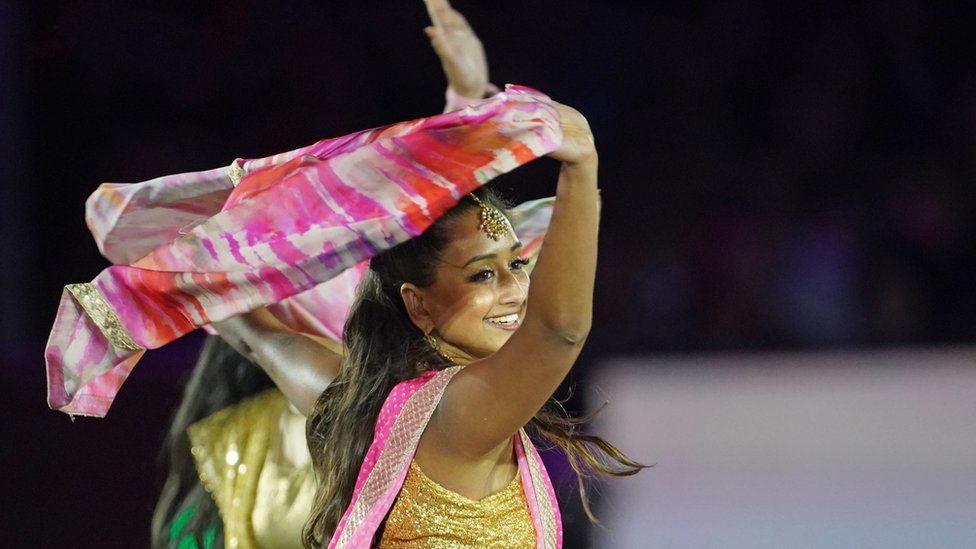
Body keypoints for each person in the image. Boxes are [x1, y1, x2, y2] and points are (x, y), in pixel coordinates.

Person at [151, 2, 562, 547]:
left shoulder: (421, 383)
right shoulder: (254, 442)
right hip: (317, 410)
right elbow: (250, 325)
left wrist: (468, 100)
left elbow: (445, 219)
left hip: (363, 403)